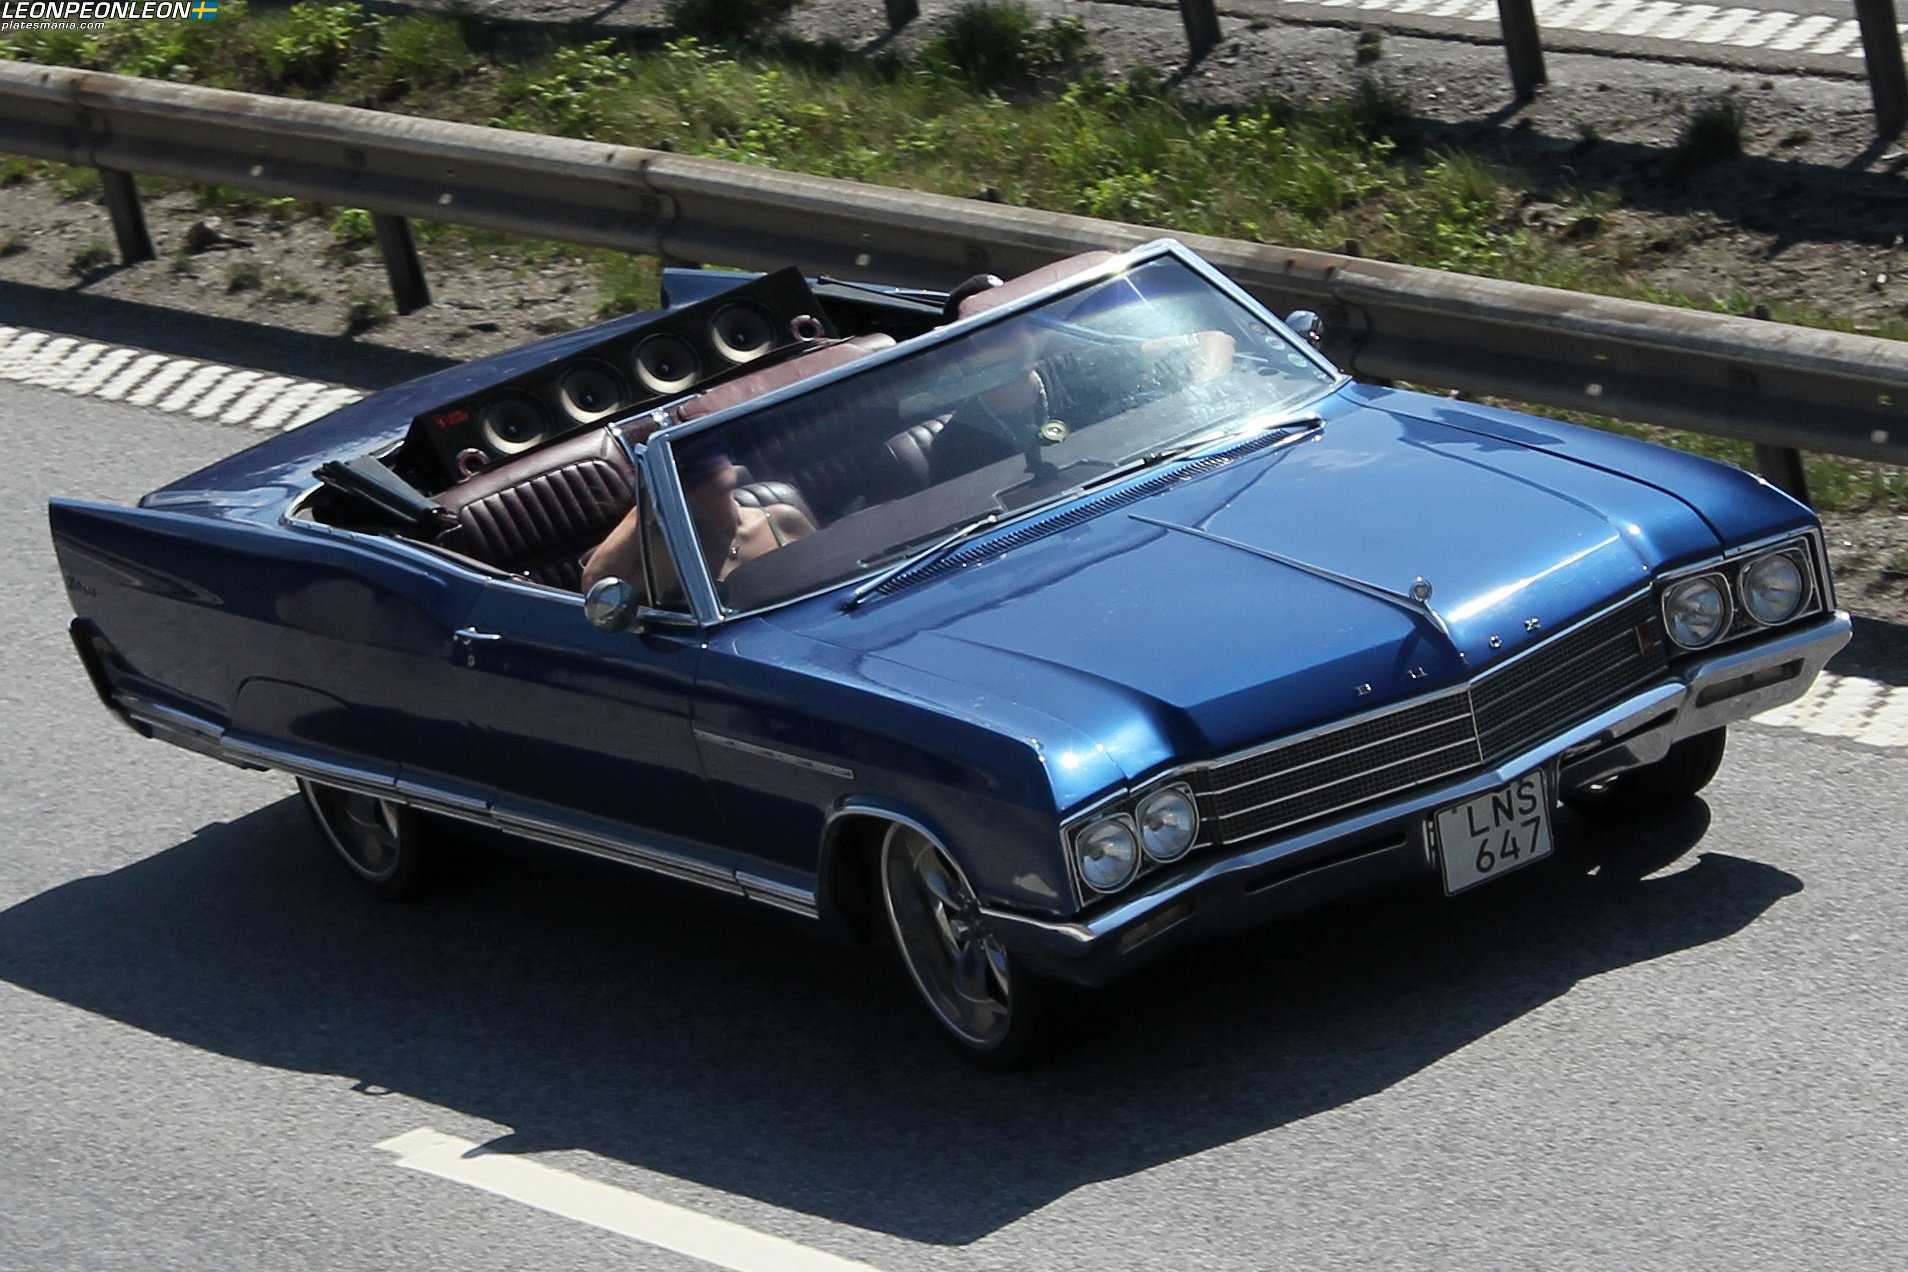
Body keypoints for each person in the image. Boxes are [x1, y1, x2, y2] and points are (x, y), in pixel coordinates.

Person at [580, 439, 811, 596]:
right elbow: (596, 585)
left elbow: (828, 564)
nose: (708, 475)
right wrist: (648, 502)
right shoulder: (675, 557)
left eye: (712, 461)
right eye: (691, 473)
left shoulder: (782, 520)